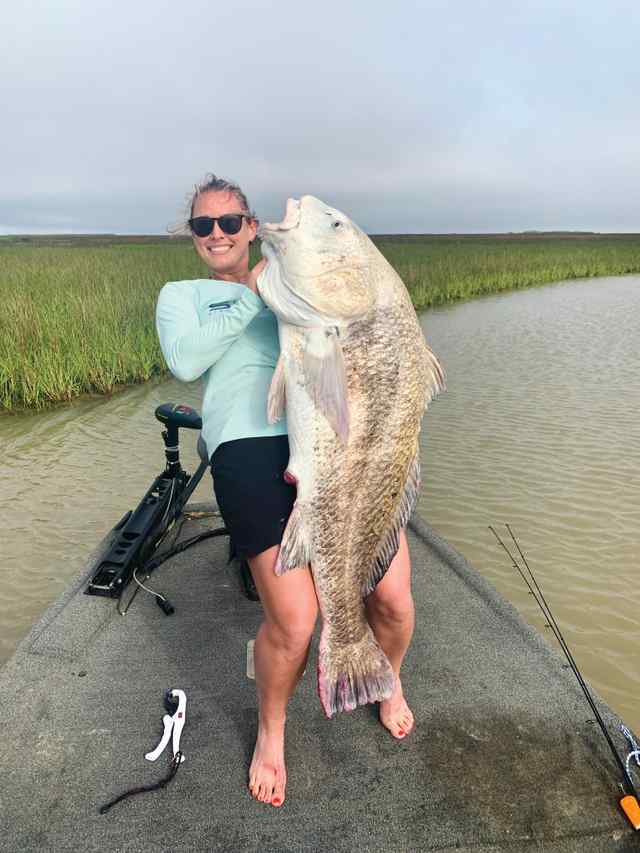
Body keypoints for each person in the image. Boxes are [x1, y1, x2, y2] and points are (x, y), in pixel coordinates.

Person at [155, 174, 416, 808]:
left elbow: (359, 342)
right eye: (202, 226)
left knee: (394, 598)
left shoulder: (289, 276)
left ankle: (387, 677)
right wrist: (256, 295)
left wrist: (289, 284)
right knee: (297, 622)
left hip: (330, 444)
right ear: (192, 238)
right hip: (246, 444)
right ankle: (272, 729)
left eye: (229, 221)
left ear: (250, 225)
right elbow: (185, 361)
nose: (217, 234)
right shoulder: (181, 295)